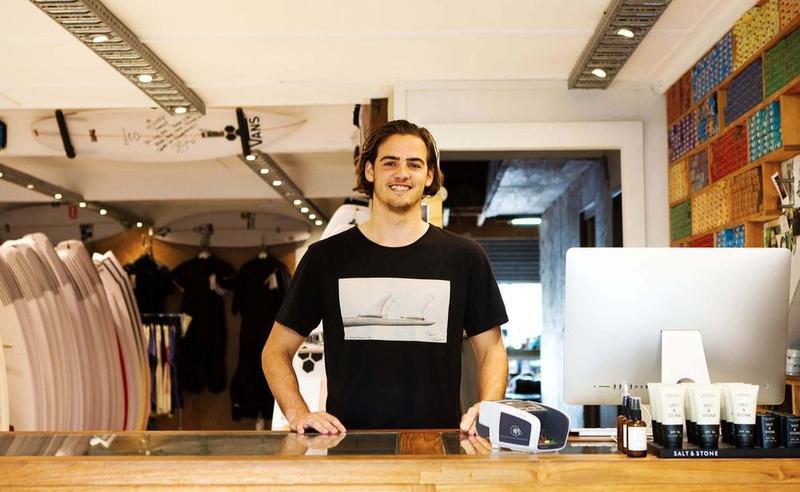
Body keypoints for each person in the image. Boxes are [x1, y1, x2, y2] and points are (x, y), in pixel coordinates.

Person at [262, 119, 508, 434]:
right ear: (370, 171)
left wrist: (486, 407)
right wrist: (298, 414)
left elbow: (492, 350)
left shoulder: (464, 257)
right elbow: (275, 351)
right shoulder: (325, 258)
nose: (402, 173)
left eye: (414, 164)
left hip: (439, 447)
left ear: (429, 175)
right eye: (390, 162)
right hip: (349, 449)